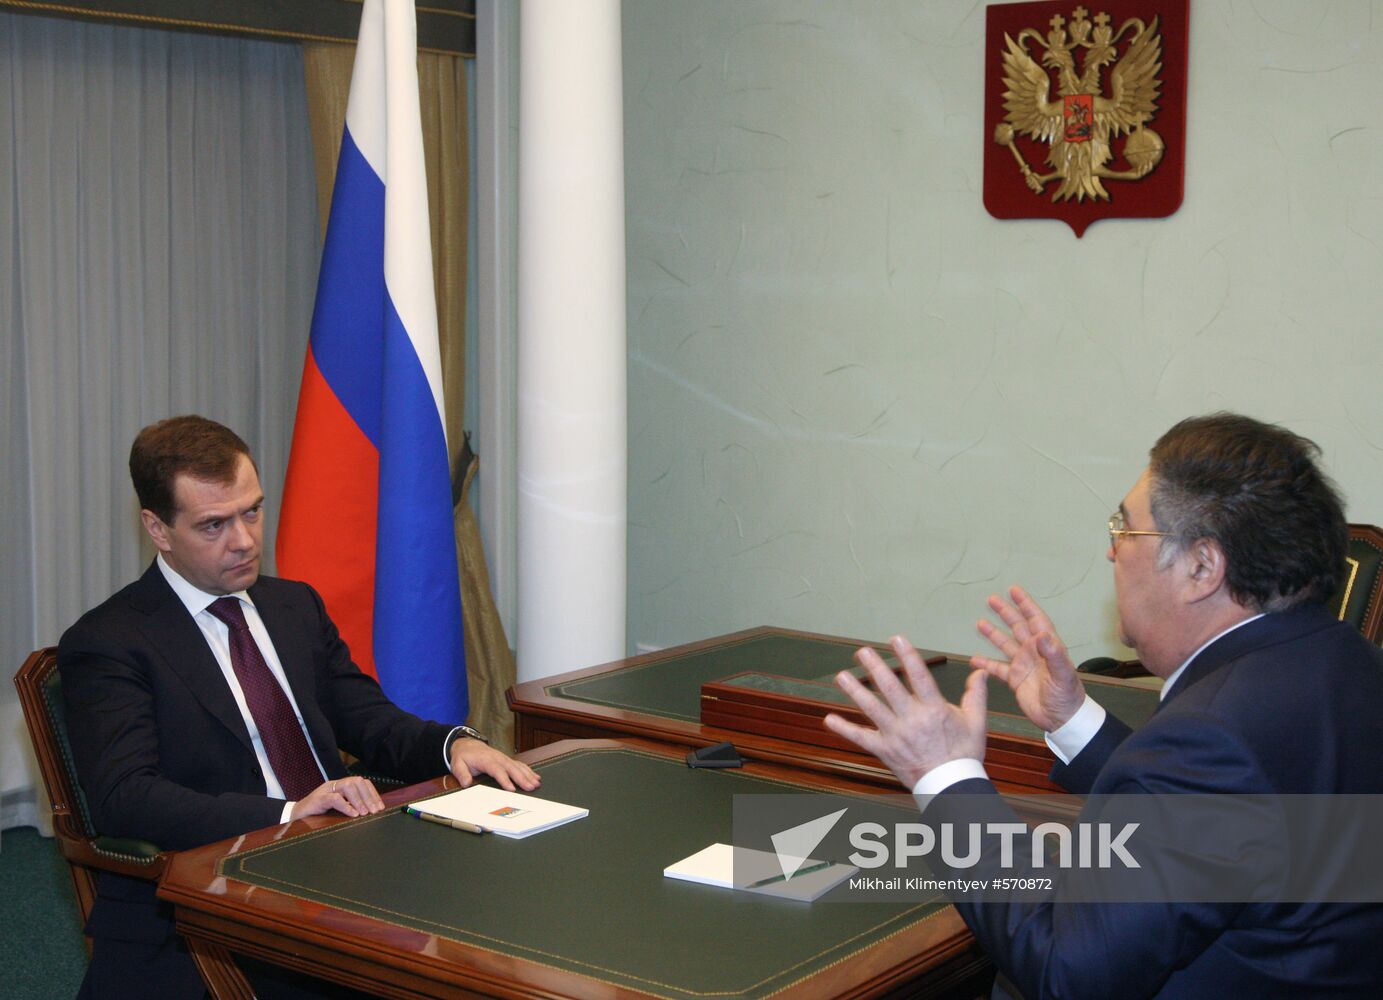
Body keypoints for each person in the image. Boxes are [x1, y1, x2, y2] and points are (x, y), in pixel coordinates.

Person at [825, 413, 1383, 998]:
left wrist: (944, 777)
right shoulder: (1349, 664)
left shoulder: (1212, 738)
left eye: (1126, 529)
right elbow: (1217, 819)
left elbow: (1068, 972)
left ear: (1201, 567)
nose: (1112, 551)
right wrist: (1074, 721)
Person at [60, 415, 540, 999]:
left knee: (508, 931)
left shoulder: (293, 606)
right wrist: (290, 813)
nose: (244, 540)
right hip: (210, 903)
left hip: (342, 867)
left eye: (252, 511)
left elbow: (366, 717)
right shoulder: (111, 640)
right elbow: (127, 798)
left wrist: (453, 744)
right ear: (157, 528)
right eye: (214, 525)